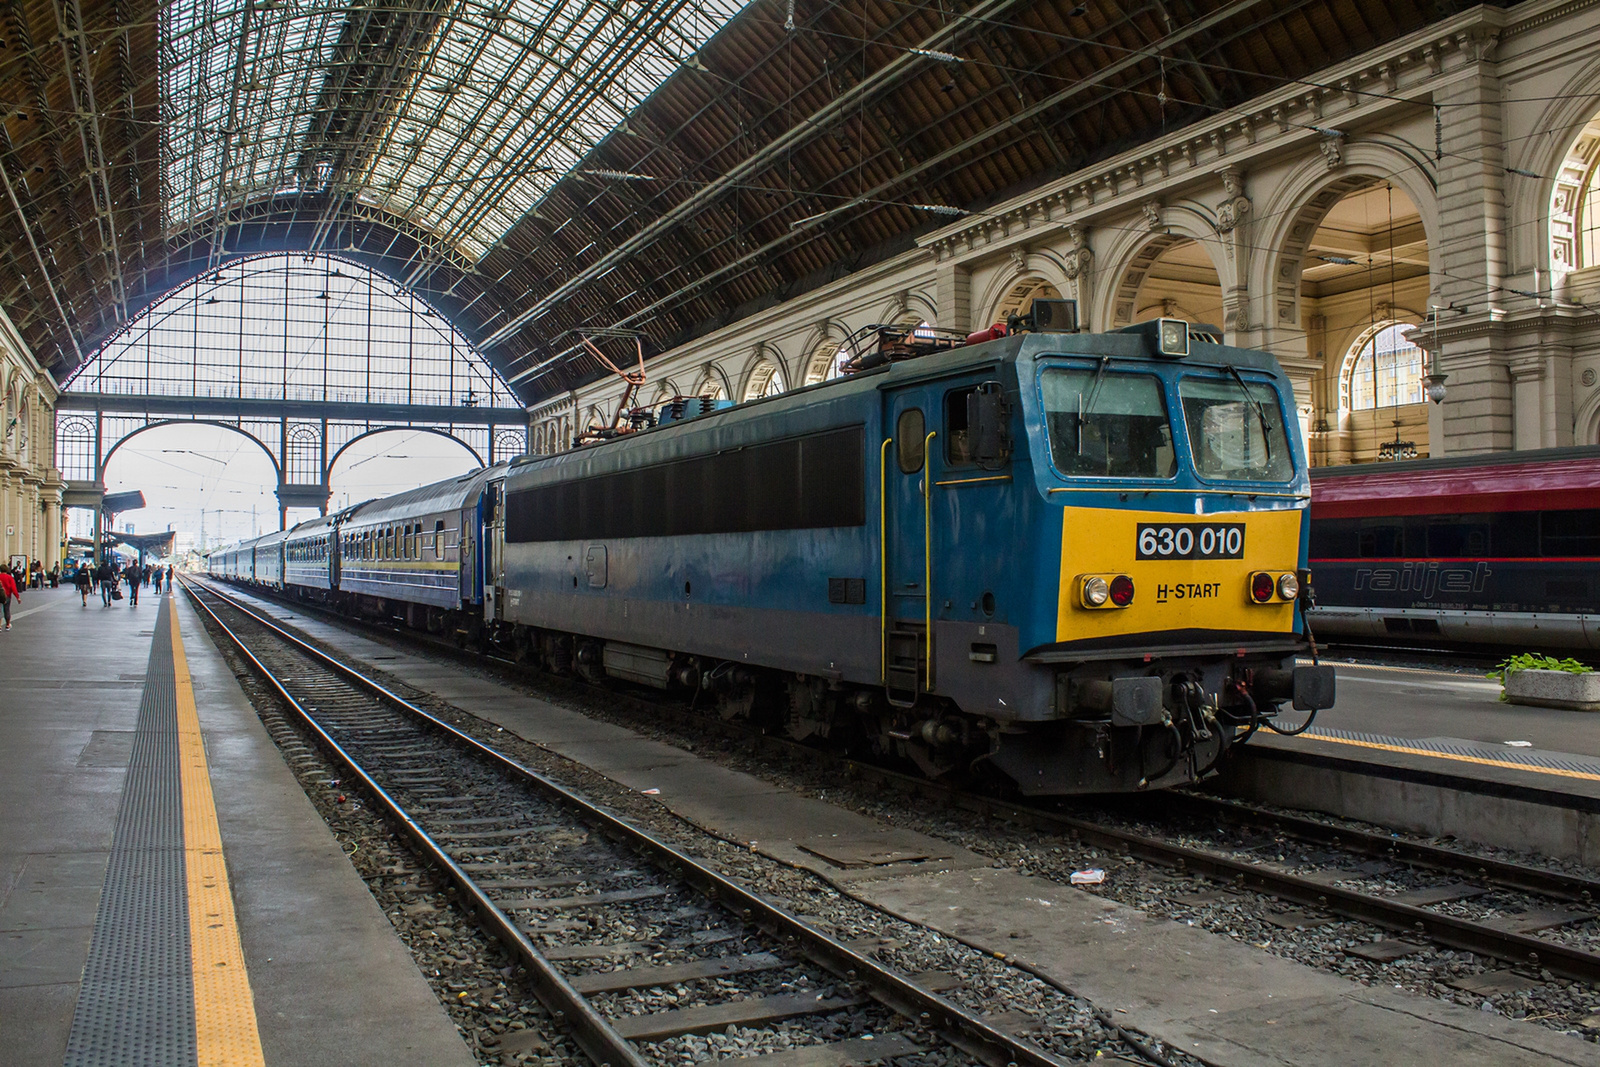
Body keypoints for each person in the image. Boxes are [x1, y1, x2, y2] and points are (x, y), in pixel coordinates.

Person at [0, 565, 18, 630]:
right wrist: (17, 597)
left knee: (0, 610)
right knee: (6, 610)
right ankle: (7, 624)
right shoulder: (9, 577)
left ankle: (0, 626)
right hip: (7, 595)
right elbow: (13, 588)